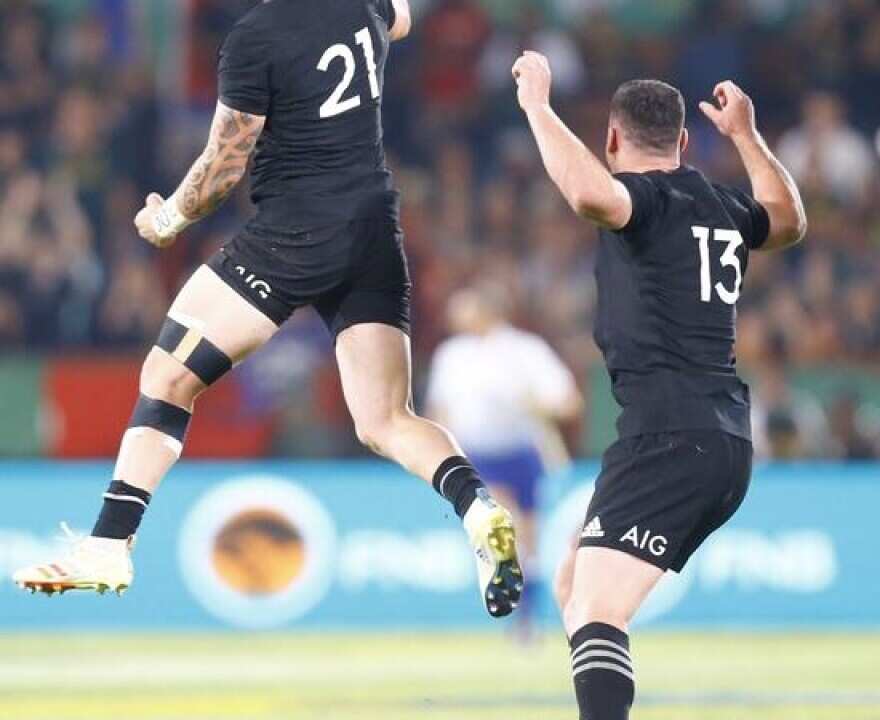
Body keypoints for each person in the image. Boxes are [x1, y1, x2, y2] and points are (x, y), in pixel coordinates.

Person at [13, 0, 523, 620]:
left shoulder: (257, 35)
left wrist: (166, 217)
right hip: (373, 227)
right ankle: (478, 507)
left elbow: (224, 167)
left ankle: (108, 544)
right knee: (385, 418)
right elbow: (404, 16)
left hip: (298, 230)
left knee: (167, 375)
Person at [512, 51, 806, 720]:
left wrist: (536, 106)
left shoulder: (642, 199)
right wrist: (746, 137)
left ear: (612, 140)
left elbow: (592, 196)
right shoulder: (722, 203)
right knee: (572, 585)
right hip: (716, 435)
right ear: (682, 141)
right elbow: (788, 221)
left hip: (672, 433)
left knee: (594, 608)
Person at [428, 284, 582, 637]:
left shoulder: (524, 351)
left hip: (522, 452)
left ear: (488, 309)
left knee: (527, 540)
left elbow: (567, 400)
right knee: (504, 523)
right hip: (477, 455)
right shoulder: (451, 355)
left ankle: (526, 617)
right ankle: (521, 617)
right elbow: (440, 411)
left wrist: (537, 405)